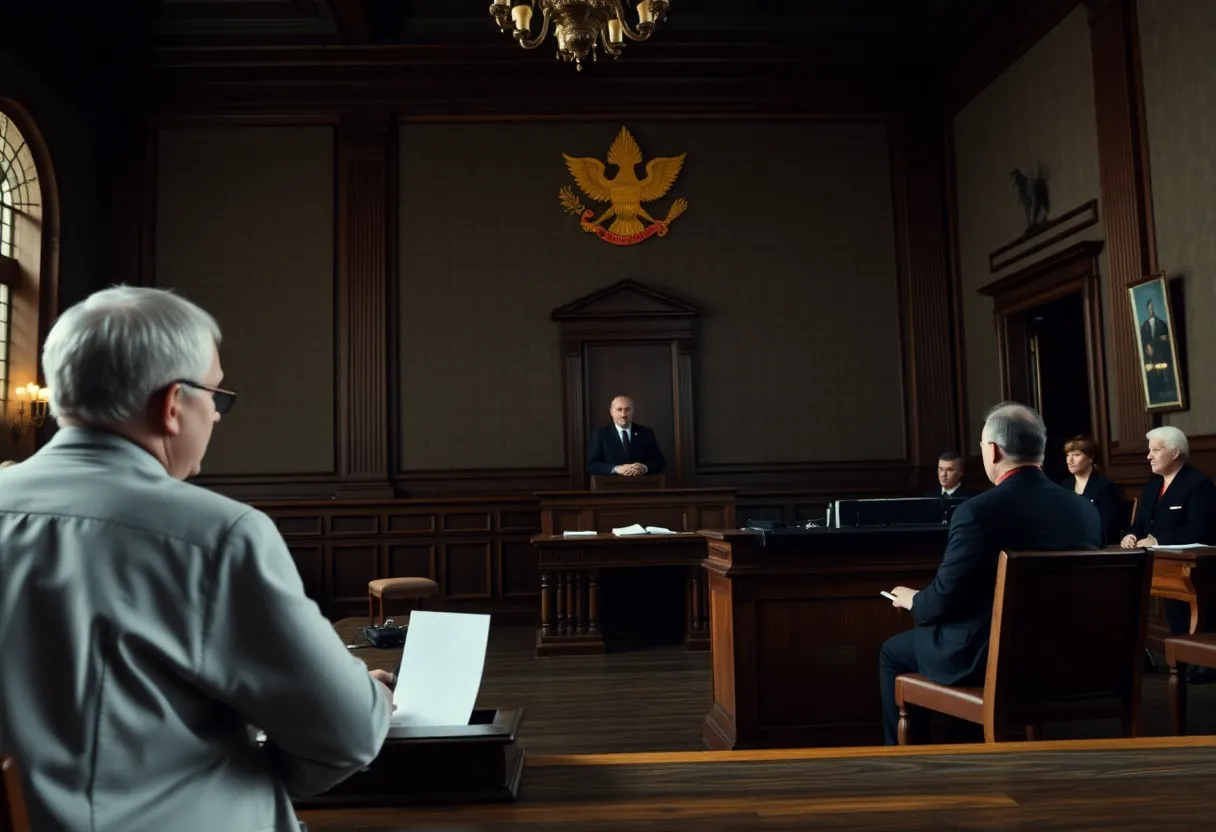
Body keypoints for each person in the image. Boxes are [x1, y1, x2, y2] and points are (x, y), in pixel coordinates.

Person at [0, 286, 392, 832]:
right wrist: (356, 699)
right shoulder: (218, 535)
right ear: (172, 404)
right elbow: (346, 737)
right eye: (216, 395)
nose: (218, 415)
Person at [879, 402, 1102, 745]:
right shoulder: (1084, 510)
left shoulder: (977, 512)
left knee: (893, 652)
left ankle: (914, 760)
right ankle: (962, 742)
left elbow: (941, 601)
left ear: (993, 450)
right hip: (1065, 654)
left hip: (993, 658)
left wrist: (914, 601)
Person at [1120, 425, 1216, 640]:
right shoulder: (1153, 483)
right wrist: (1131, 535)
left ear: (1174, 452)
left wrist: (1158, 540)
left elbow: (1201, 528)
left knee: (1184, 618)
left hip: (1191, 568)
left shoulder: (1198, 484)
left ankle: (1194, 666)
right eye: (1149, 450)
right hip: (1157, 563)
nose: (1149, 456)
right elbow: (1142, 521)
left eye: (1155, 450)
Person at [1060, 434, 1122, 544]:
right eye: (1067, 455)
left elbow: (1107, 528)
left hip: (1097, 547)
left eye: (1076, 455)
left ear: (1091, 458)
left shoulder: (1106, 487)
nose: (1070, 460)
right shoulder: (1064, 486)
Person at [586, 395, 666, 477]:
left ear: (633, 411)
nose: (623, 414)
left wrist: (644, 468)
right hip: (611, 486)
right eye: (619, 409)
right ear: (611, 412)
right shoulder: (601, 434)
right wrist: (616, 469)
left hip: (640, 484)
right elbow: (592, 465)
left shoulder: (646, 433)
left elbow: (659, 462)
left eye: (627, 409)